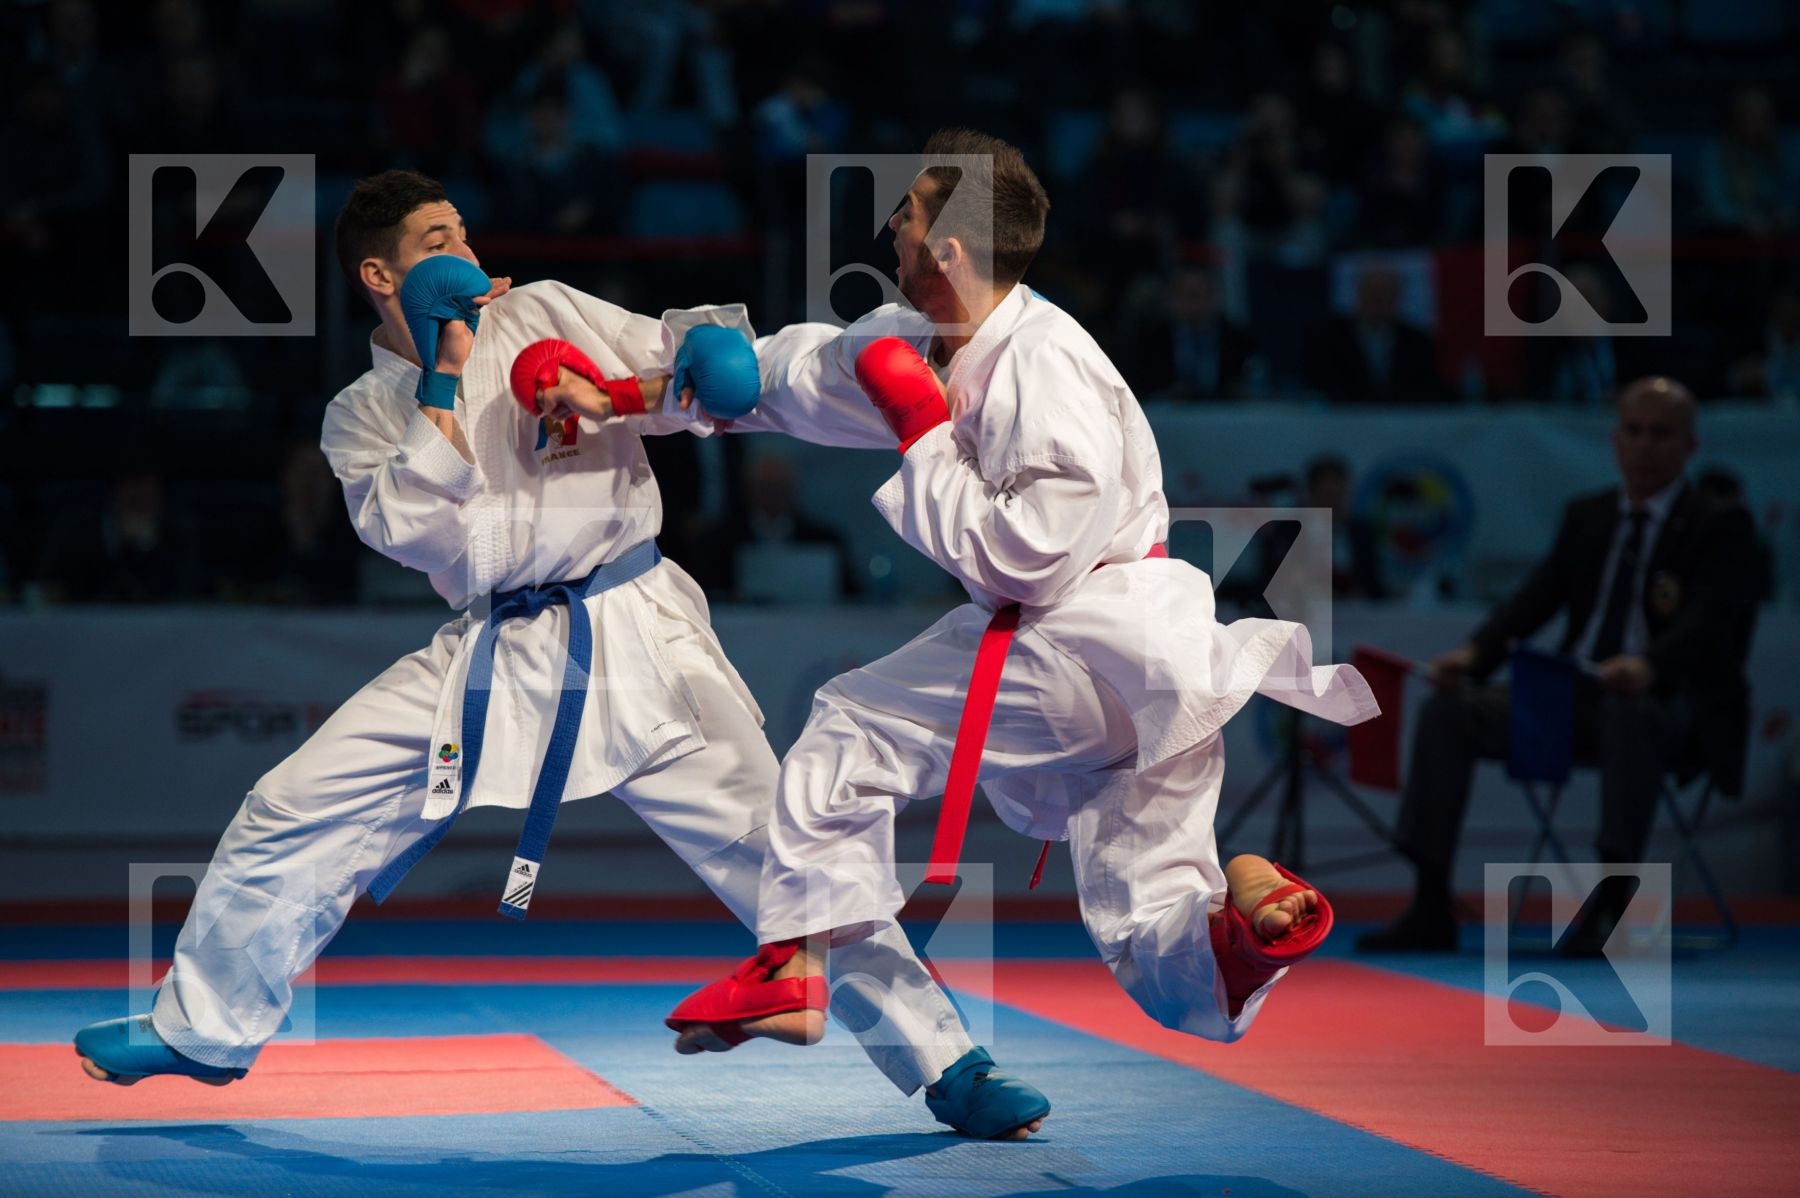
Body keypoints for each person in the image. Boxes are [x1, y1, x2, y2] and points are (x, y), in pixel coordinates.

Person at [72, 169, 1020, 1140]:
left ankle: (949, 1064)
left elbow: (680, 376)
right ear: (379, 276)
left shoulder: (542, 312)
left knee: (786, 849)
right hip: (492, 651)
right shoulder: (358, 413)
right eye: (437, 241)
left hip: (635, 625)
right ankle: (204, 1028)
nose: (466, 254)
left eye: (464, 232)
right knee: (291, 805)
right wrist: (445, 368)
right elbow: (416, 533)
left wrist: (695, 362)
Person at [633, 131, 1378, 1118]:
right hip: (1159, 675)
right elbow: (807, 373)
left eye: (907, 213)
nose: (890, 225)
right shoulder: (927, 337)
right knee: (1147, 919)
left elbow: (1029, 558)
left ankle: (793, 961)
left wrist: (924, 437)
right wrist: (664, 388)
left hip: (1085, 638)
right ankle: (1240, 937)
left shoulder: (1046, 365)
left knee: (851, 726)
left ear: (948, 247)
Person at [1358, 378, 1761, 954]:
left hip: (1674, 706)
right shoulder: (1589, 516)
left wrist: (1649, 665)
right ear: (1616, 440)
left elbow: (1710, 619)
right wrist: (1472, 656)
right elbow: (1533, 602)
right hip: (1577, 699)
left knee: (1629, 712)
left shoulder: (1720, 524)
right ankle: (1429, 900)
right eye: (1634, 431)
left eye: (1661, 434)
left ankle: (1613, 900)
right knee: (1449, 711)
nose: (1645, 446)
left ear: (1690, 446)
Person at [1305, 267, 1444, 404]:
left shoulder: (1419, 342)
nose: (1379, 303)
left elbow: (1426, 388)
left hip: (1402, 415)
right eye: (1373, 295)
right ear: (1359, 296)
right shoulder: (1327, 338)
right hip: (1342, 414)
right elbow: (1320, 383)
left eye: (1387, 296)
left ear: (1397, 299)